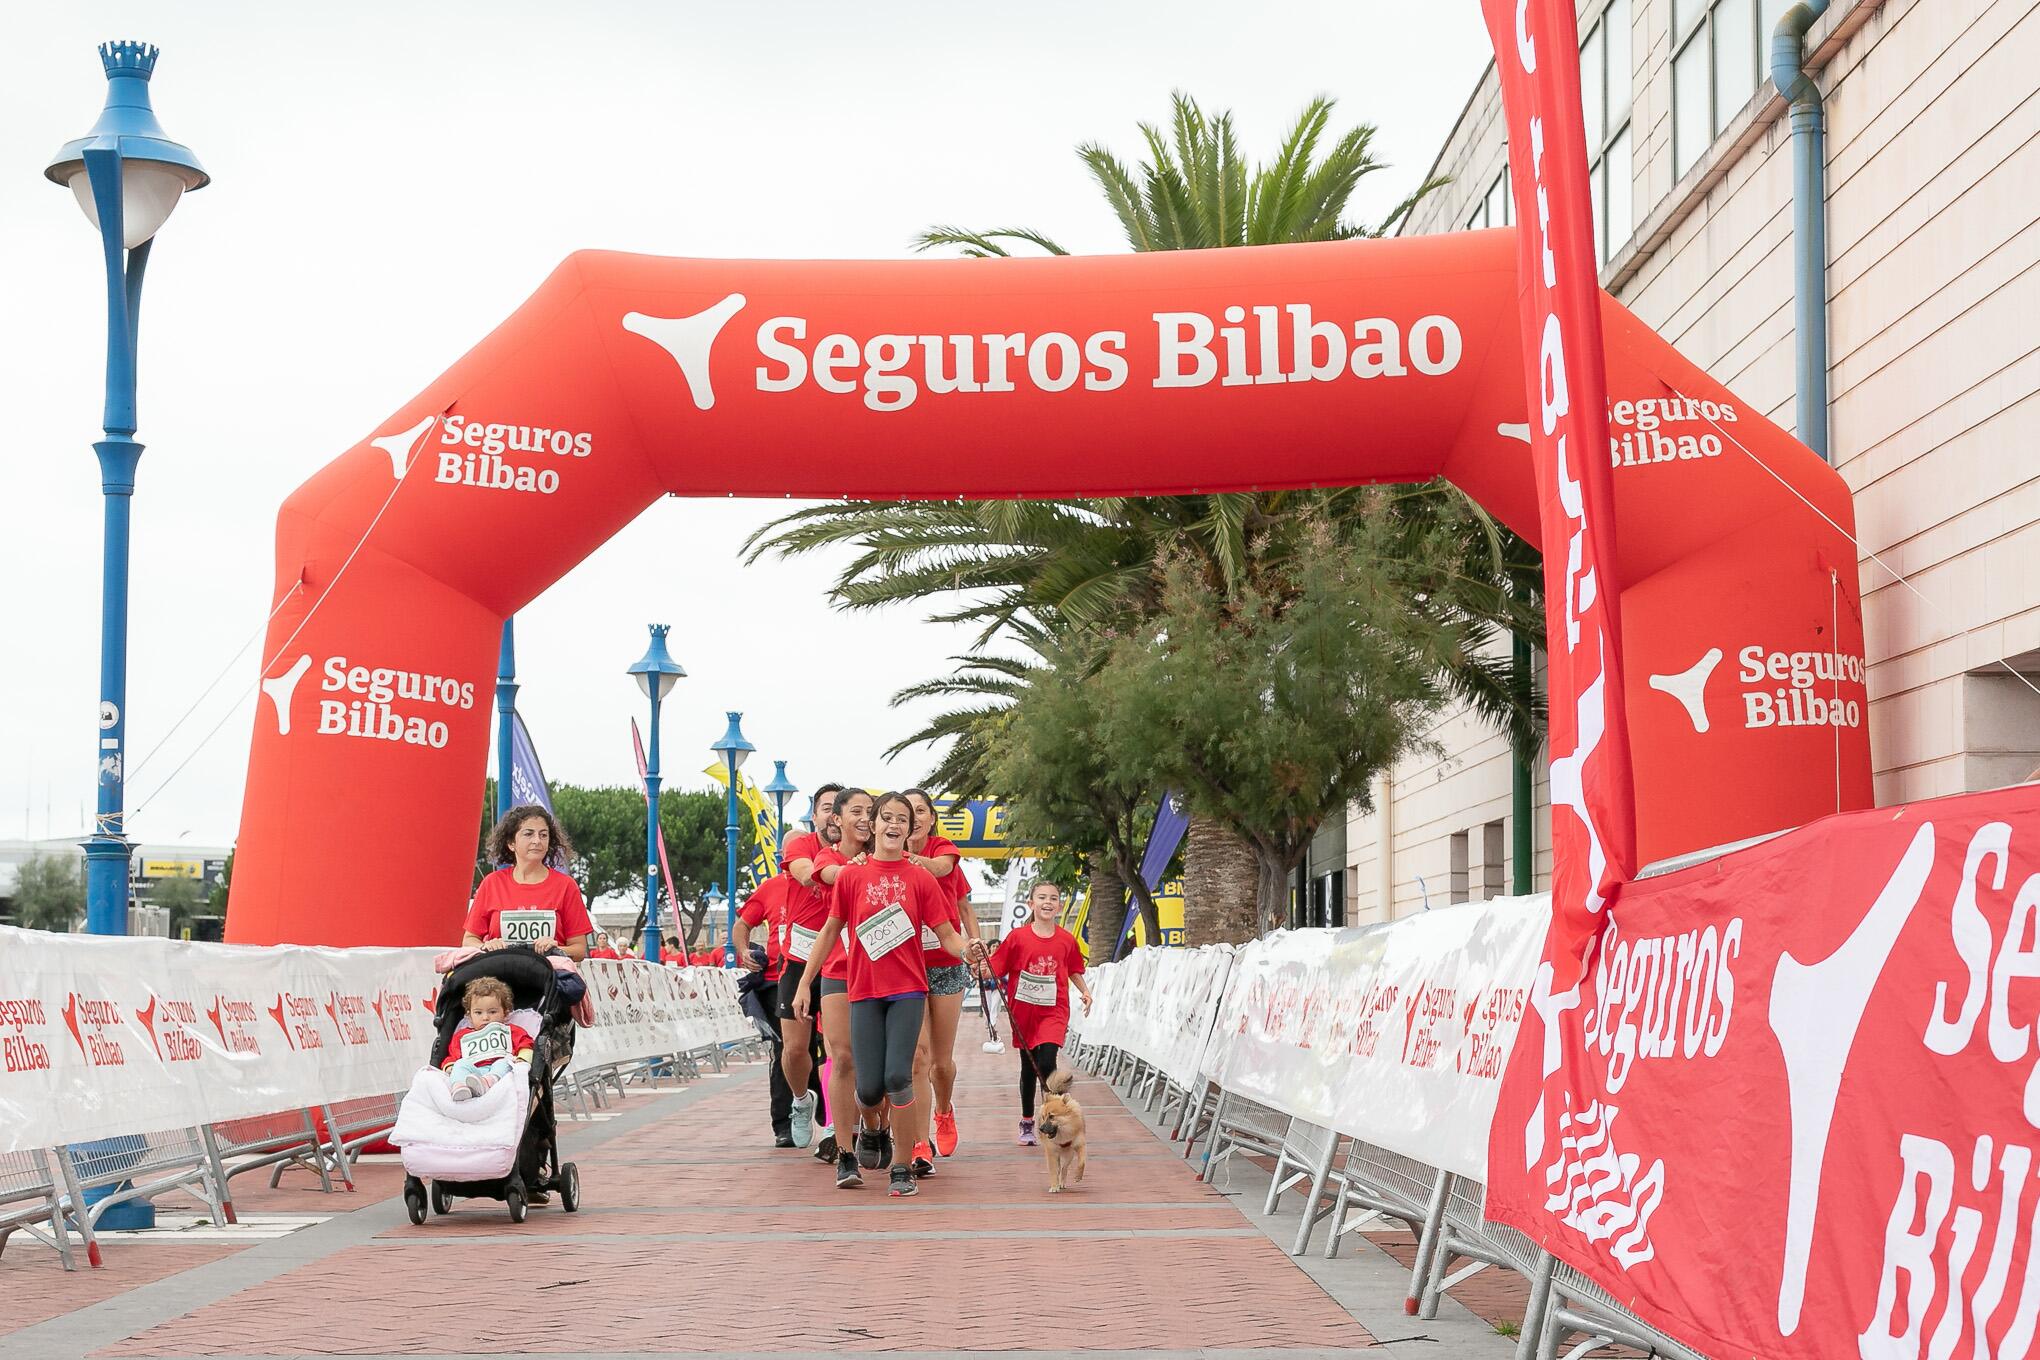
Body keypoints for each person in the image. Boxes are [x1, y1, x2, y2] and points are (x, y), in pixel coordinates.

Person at [794, 792, 971, 1197]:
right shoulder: (853, 877)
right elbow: (829, 931)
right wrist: (806, 982)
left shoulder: (920, 878)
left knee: (900, 1076)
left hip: (908, 991)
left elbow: (946, 935)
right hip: (864, 992)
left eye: (902, 820)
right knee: (869, 1087)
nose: (894, 825)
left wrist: (969, 949)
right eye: (886, 818)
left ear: (911, 831)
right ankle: (872, 1130)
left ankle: (903, 1167)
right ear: (872, 825)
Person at [978, 881, 1092, 1146]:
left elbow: (1074, 968)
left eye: (1053, 898)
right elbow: (996, 967)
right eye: (1042, 897)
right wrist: (981, 968)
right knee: (1029, 1068)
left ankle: (1051, 1120)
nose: (1047, 902)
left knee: (1047, 1061)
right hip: (1024, 1011)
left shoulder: (1066, 939)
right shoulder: (1017, 938)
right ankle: (1027, 1120)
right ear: (1031, 904)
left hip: (1054, 1010)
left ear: (1059, 906)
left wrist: (1085, 991)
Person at [901, 788, 980, 1170]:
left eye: (920, 811)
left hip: (947, 962)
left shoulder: (942, 851)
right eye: (907, 811)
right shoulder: (889, 863)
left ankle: (944, 1110)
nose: (914, 818)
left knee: (941, 1063)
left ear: (931, 818)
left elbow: (950, 883)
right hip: (907, 966)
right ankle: (919, 1143)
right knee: (918, 1057)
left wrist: (974, 943)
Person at [801, 790, 874, 1187]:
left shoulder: (888, 857)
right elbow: (832, 876)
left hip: (883, 972)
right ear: (839, 821)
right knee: (842, 1059)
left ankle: (877, 1128)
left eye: (870, 812)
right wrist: (805, 983)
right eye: (856, 812)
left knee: (876, 1071)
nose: (865, 819)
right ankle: (845, 1152)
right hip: (839, 971)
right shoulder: (828, 857)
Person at [734, 874, 825, 1147]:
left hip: (826, 974)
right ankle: (784, 1122)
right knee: (787, 1048)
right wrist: (744, 951)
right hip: (779, 979)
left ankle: (829, 1112)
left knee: (826, 1047)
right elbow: (742, 924)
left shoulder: (824, 881)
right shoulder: (771, 887)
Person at [779, 783, 843, 1156]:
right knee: (795, 1050)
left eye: (840, 808)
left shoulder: (858, 850)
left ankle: (836, 1123)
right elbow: (806, 874)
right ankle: (802, 1100)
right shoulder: (801, 845)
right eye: (825, 808)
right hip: (799, 960)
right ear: (815, 815)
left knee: (837, 1048)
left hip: (839, 961)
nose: (832, 815)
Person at [465, 805, 592, 961]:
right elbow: (468, 940)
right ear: (511, 843)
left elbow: (579, 949)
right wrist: (487, 946)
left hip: (550, 979)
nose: (537, 840)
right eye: (529, 834)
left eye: (543, 835)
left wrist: (554, 948)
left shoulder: (566, 886)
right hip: (499, 978)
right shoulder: (491, 883)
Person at [441, 976, 534, 1101]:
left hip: (499, 1071)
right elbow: (453, 1056)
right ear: (469, 1015)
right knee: (460, 1064)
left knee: (505, 1062)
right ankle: (460, 1087)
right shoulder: (462, 1036)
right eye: (478, 1013)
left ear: (505, 1013)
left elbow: (527, 1045)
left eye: (492, 1012)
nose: (485, 1018)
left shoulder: (511, 1031)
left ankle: (488, 1082)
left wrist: (522, 1059)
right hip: (473, 1073)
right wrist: (449, 1066)